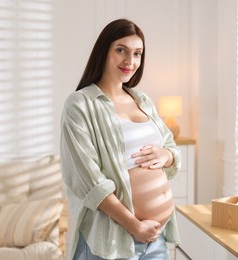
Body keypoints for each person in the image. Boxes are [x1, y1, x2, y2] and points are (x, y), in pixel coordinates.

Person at [60, 18, 181, 260]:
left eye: (137, 53)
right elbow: (90, 182)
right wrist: (134, 226)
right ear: (104, 50)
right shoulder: (81, 104)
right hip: (112, 239)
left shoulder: (142, 99)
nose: (130, 61)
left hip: (156, 239)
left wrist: (165, 155)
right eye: (121, 50)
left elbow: (171, 146)